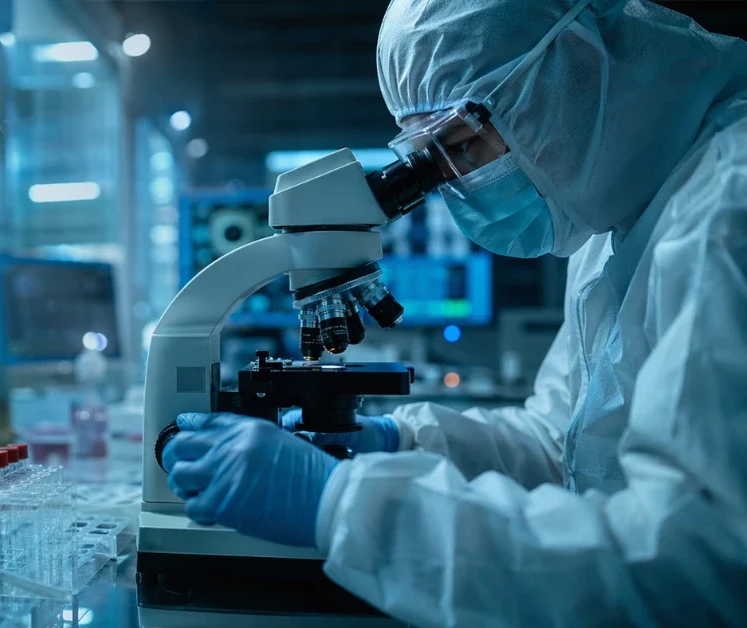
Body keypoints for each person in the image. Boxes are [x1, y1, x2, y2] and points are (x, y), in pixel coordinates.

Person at [160, 0, 747, 625]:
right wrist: (398, 443)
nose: (458, 185)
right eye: (435, 160)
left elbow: (694, 563)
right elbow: (563, 450)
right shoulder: (618, 222)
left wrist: (339, 502)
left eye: (463, 145)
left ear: (572, 64)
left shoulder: (727, 209)